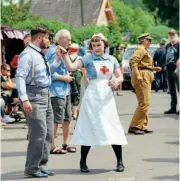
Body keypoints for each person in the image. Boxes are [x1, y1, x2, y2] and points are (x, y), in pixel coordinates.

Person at [56, 33, 127, 172]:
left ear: (105, 45)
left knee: (112, 126)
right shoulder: (87, 58)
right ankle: (83, 162)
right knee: (88, 126)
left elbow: (120, 76)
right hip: (93, 95)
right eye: (93, 45)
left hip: (107, 96)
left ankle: (120, 161)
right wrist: (65, 55)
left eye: (99, 45)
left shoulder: (112, 59)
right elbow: (71, 67)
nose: (96, 48)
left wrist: (117, 81)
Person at [16, 26, 54, 178]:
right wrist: (24, 99)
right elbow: (19, 77)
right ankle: (32, 168)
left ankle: (42, 165)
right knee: (38, 134)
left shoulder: (39, 54)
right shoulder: (27, 55)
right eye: (47, 38)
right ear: (40, 38)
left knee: (48, 133)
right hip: (33, 95)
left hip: (45, 94)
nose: (49, 40)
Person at [46, 29, 76, 154]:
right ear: (60, 39)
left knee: (67, 118)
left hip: (65, 90)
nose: (69, 41)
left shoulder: (63, 51)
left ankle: (66, 143)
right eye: (67, 39)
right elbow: (48, 73)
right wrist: (65, 78)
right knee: (56, 120)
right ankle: (52, 145)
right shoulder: (53, 51)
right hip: (56, 91)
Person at [128, 33, 162, 135]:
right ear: (143, 40)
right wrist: (137, 75)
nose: (150, 42)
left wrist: (153, 68)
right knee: (144, 103)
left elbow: (143, 64)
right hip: (142, 76)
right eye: (149, 40)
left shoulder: (144, 50)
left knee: (145, 103)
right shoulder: (141, 49)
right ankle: (134, 126)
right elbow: (133, 61)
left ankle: (142, 125)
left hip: (145, 74)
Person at [163, 29, 179, 114]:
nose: (171, 36)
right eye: (170, 34)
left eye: (173, 34)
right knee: (172, 89)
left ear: (176, 35)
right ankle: (173, 107)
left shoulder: (179, 44)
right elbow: (165, 55)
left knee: (179, 89)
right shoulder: (167, 45)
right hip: (169, 69)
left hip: (177, 69)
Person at [68, 43, 82, 120]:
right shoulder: (80, 58)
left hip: (69, 75)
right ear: (77, 50)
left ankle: (69, 113)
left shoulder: (66, 57)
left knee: (68, 94)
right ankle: (75, 114)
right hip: (77, 76)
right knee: (76, 94)